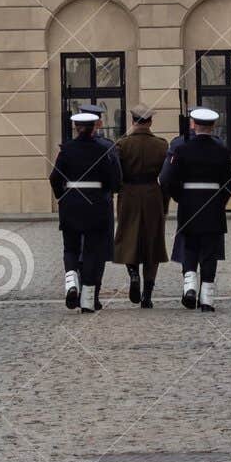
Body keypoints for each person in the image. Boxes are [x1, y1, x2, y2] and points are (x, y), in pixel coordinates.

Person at [160, 106, 231, 312]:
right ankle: (207, 299)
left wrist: (180, 197)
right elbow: (230, 181)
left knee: (190, 248)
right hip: (213, 206)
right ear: (213, 126)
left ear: (193, 125)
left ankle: (190, 287)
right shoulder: (222, 151)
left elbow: (169, 179)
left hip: (189, 204)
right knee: (210, 252)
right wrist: (220, 201)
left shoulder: (181, 149)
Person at [50, 111, 122, 313]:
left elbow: (55, 177)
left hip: (71, 203)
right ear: (94, 127)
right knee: (92, 251)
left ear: (76, 128)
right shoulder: (103, 150)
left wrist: (61, 196)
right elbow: (115, 181)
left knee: (71, 248)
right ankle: (88, 300)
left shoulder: (66, 150)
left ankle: (72, 280)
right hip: (96, 204)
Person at [113, 106, 169, 307]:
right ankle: (147, 296)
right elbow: (168, 177)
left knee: (129, 237)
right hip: (153, 194)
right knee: (152, 243)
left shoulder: (122, 145)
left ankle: (133, 273)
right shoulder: (162, 145)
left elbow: (115, 173)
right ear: (150, 122)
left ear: (133, 121)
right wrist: (165, 202)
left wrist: (119, 189)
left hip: (129, 194)